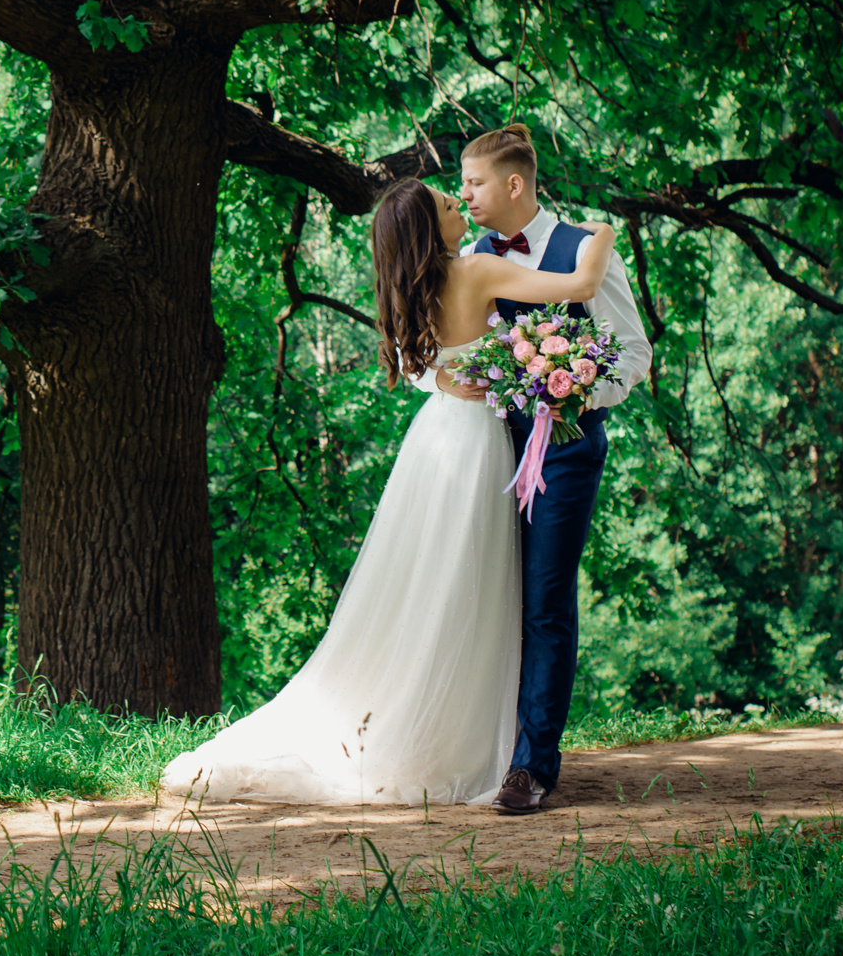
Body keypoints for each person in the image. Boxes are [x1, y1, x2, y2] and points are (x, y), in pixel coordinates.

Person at [159, 172, 616, 806]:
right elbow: (579, 286)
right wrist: (602, 234)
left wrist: (442, 380)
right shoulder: (478, 272)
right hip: (479, 446)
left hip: (433, 444)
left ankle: (436, 721)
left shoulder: (414, 287)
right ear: (433, 229)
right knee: (472, 585)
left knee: (429, 581)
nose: (462, 207)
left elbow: (415, 365)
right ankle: (458, 736)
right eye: (451, 205)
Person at [451, 123, 652, 814]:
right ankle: (477, 748)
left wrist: (562, 389)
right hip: (481, 451)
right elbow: (438, 352)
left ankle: (531, 767)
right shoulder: (471, 254)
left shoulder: (583, 250)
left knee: (543, 600)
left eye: (474, 182)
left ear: (514, 184)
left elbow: (632, 353)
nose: (465, 194)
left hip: (563, 450)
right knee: (482, 598)